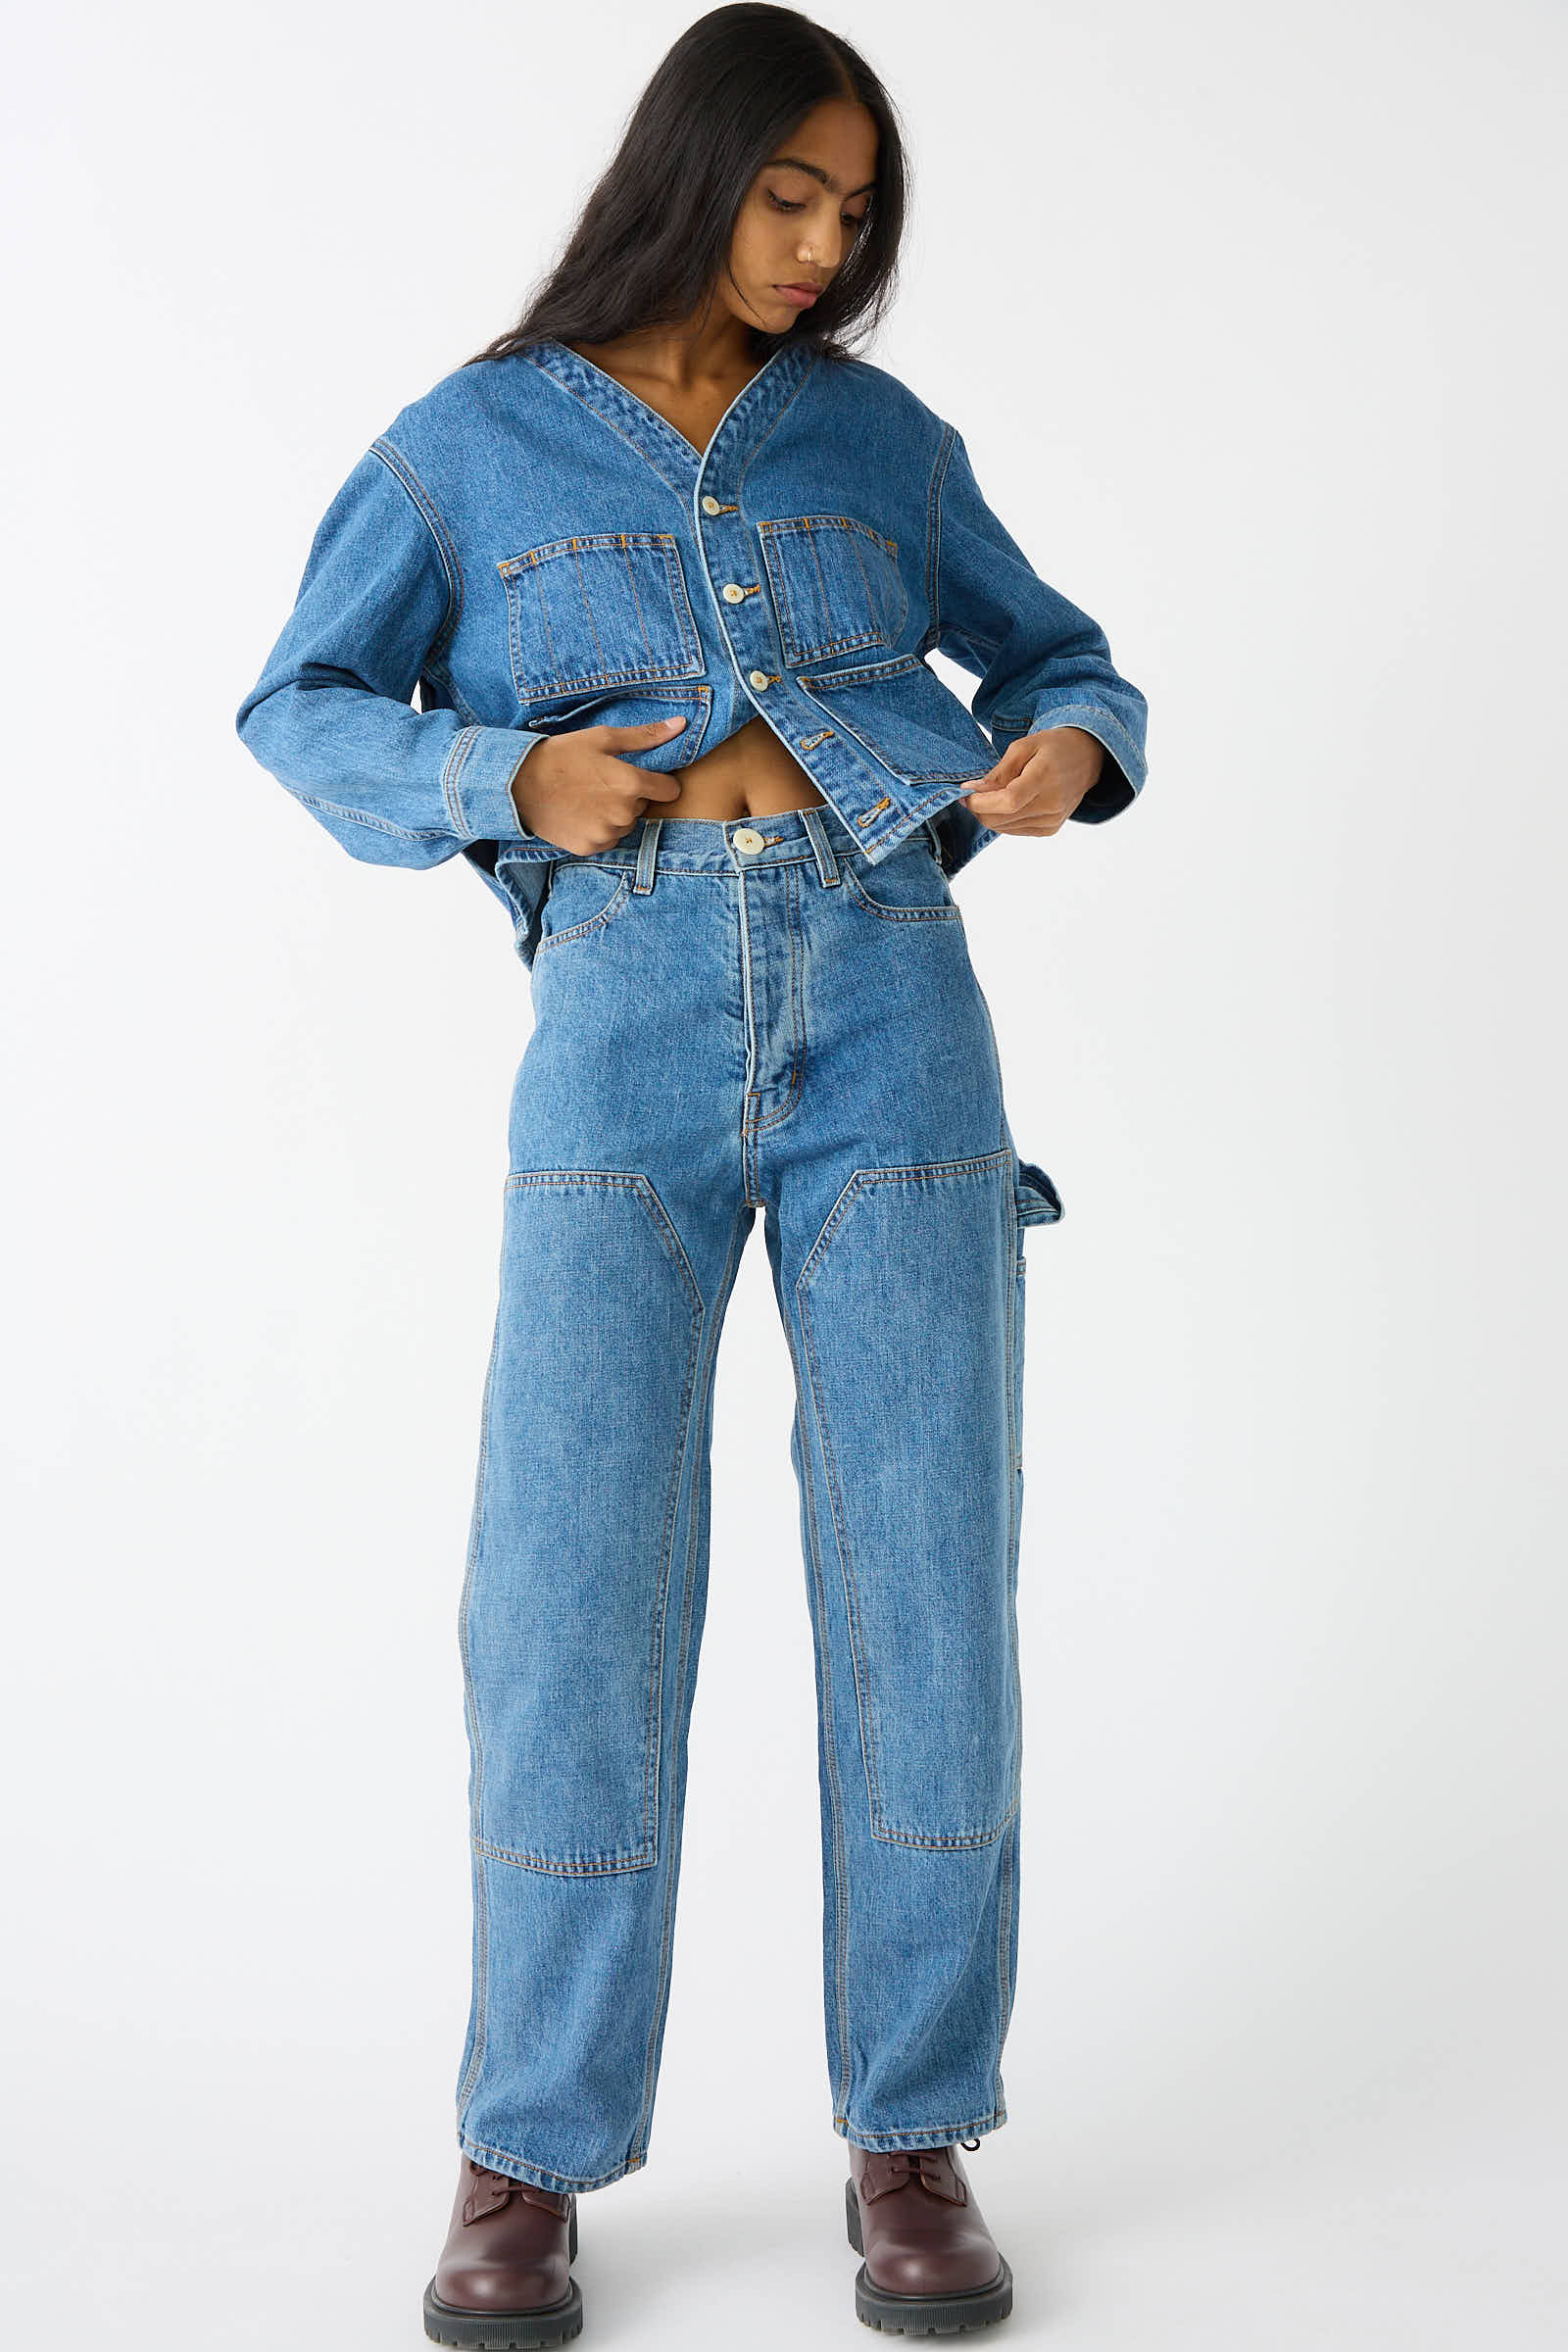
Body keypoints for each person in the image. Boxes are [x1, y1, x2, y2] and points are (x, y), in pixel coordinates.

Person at [234, 6, 1149, 2340]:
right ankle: (522, 2158)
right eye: (787, 196)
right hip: (618, 1029)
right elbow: (302, 704)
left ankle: (911, 2137)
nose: (819, 246)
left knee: (927, 1571)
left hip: (895, 1005)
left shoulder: (879, 440)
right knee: (567, 1594)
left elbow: (1068, 660)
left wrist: (1061, 745)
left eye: (852, 216)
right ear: (696, 168)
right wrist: (498, 788)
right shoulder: (468, 443)